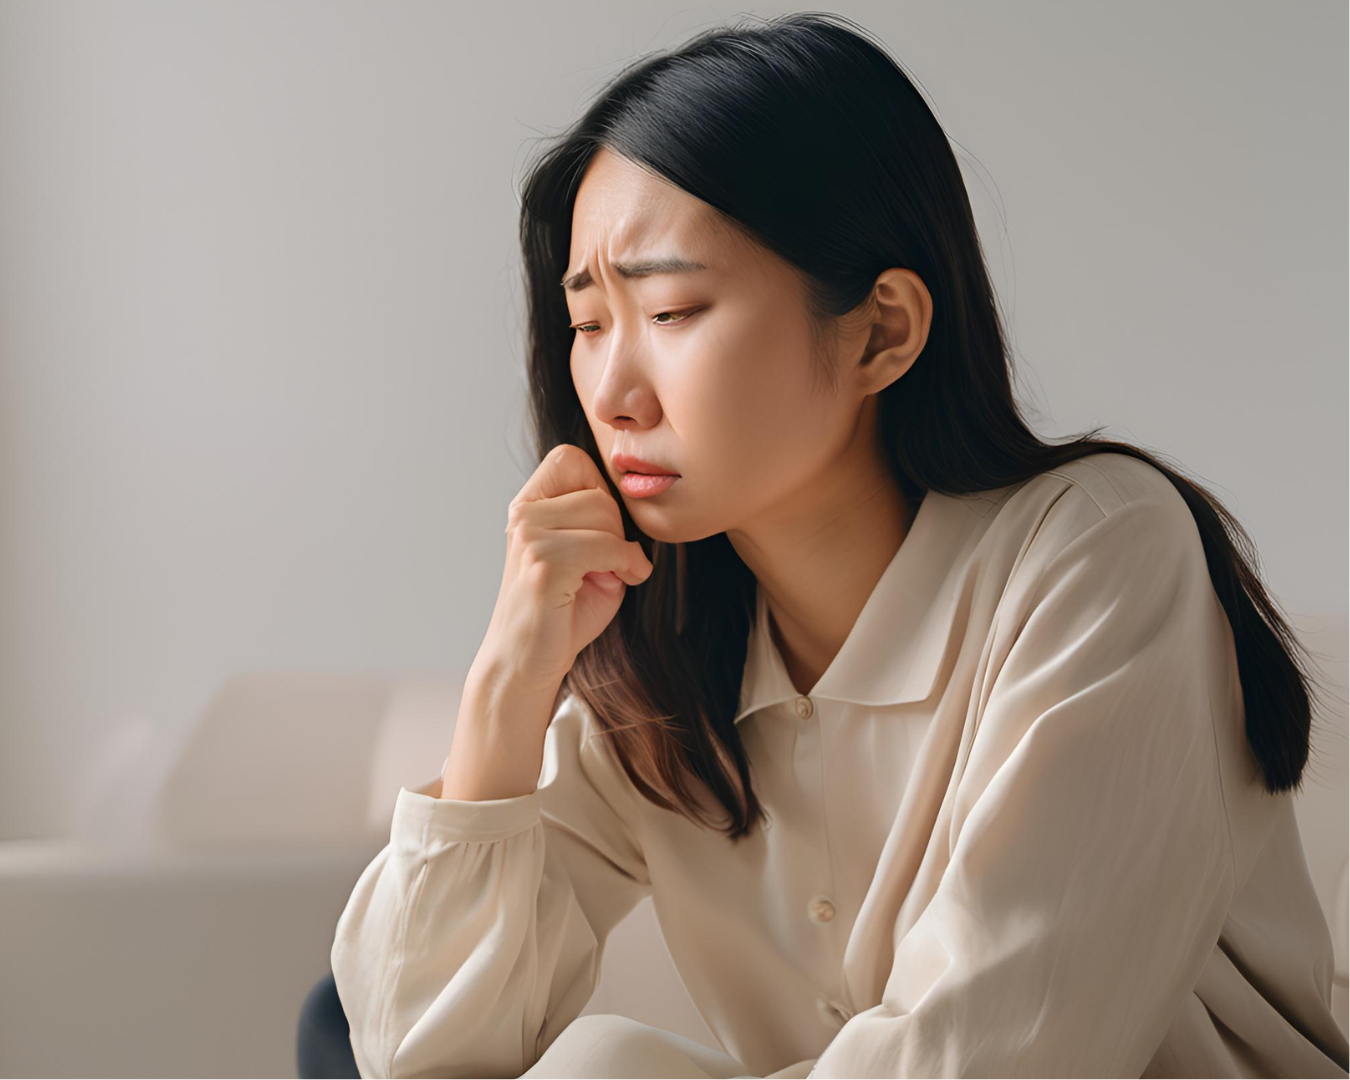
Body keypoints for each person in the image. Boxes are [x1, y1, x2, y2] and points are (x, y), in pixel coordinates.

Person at [330, 12, 1348, 1078]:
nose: (614, 396)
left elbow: (996, 1056)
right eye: (588, 325)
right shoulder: (667, 668)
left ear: (883, 331)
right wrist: (507, 682)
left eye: (672, 310)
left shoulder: (1097, 553)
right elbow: (419, 1054)